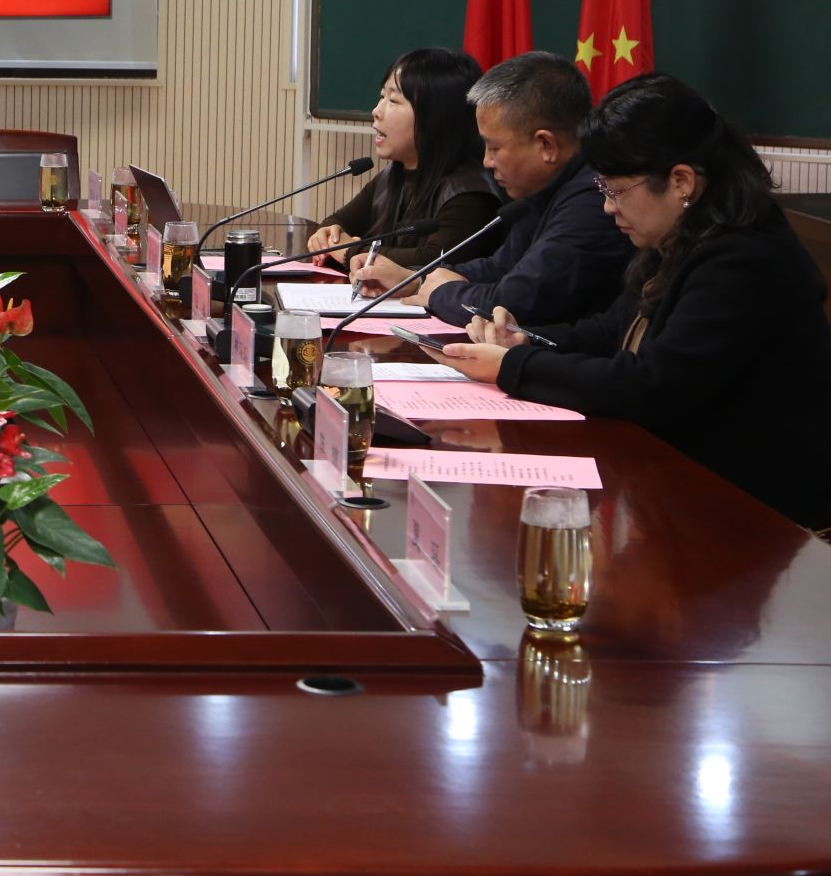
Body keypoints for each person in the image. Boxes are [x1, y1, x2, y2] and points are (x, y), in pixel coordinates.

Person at [441, 74, 831, 529]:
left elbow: (653, 386)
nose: (607, 207)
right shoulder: (679, 237)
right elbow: (610, 331)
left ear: (681, 181)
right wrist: (521, 340)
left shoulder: (745, 259)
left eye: (615, 190)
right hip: (683, 484)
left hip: (761, 514)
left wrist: (515, 366)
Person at [355, 51, 632, 326]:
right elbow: (500, 267)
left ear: (546, 145)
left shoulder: (593, 200)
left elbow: (515, 302)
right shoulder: (545, 188)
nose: (487, 161)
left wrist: (438, 294)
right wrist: (415, 280)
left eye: (494, 147)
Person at [306, 47, 501, 271]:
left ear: (436, 116)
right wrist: (327, 234)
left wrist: (351, 251)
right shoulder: (393, 174)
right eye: (382, 97)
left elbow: (433, 261)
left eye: (394, 100)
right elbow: (338, 223)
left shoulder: (469, 193)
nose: (376, 111)